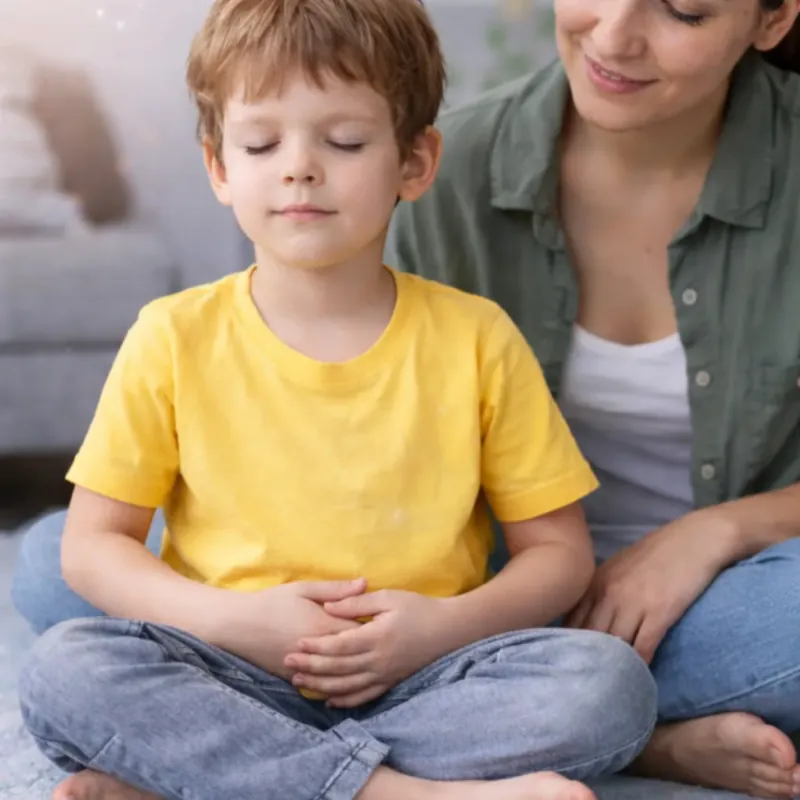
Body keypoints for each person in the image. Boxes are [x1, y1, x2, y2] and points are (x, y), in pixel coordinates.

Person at [13, 1, 658, 799]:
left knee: (606, 684)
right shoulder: (171, 336)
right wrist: (234, 622)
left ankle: (212, 775)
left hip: (425, 675)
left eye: (344, 141)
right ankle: (398, 793)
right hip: (227, 669)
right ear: (219, 165)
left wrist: (437, 630)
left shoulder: (477, 338)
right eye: (260, 142)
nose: (299, 167)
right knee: (66, 669)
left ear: (415, 164)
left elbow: (558, 556)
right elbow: (91, 548)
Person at [382, 0, 800, 798]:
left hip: (725, 602)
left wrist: (716, 531)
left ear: (773, 21)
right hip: (487, 596)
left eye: (683, 10)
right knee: (70, 565)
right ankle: (644, 739)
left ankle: (520, 718)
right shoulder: (440, 173)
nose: (613, 35)